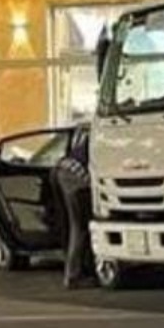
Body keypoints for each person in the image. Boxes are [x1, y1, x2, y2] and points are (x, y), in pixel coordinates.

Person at [53, 123, 96, 289]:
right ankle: (73, 276)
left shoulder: (95, 134)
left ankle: (73, 271)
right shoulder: (107, 138)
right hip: (75, 177)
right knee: (80, 227)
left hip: (61, 169)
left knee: (73, 226)